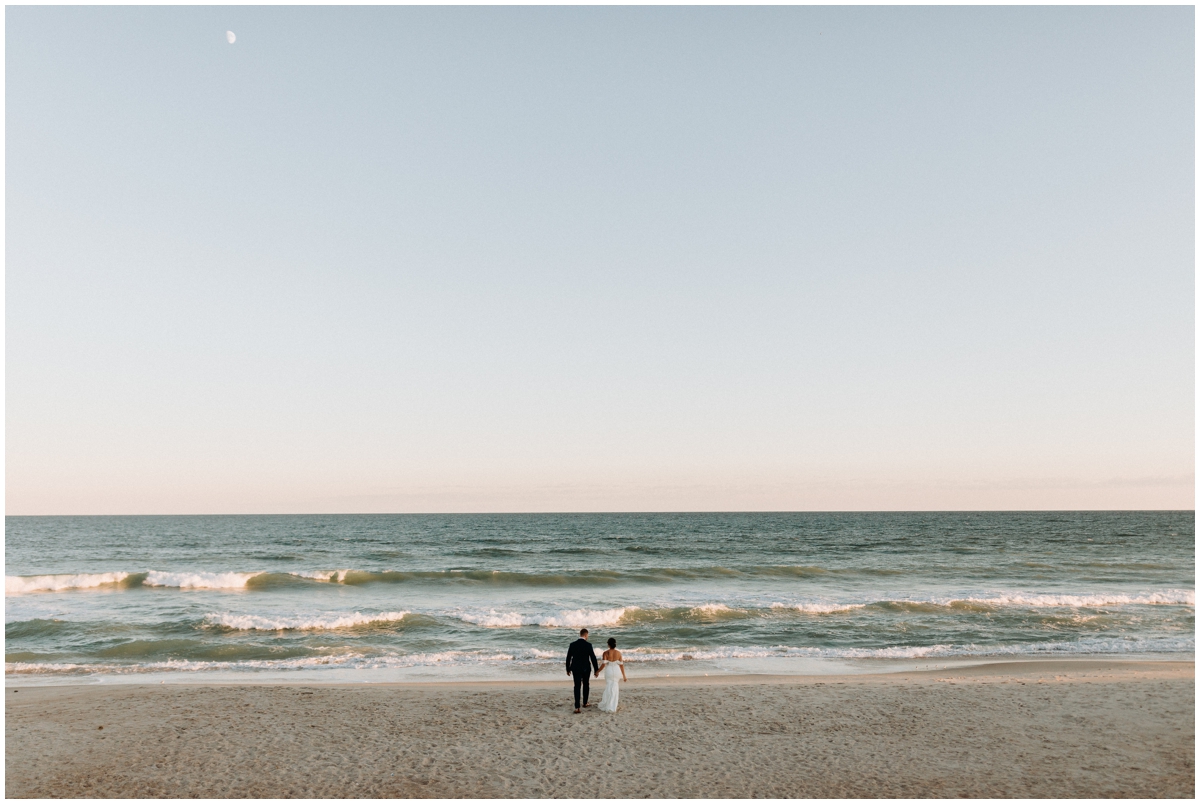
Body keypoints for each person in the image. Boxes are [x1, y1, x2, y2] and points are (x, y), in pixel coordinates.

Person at [565, 628, 599, 713]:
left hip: (575, 668)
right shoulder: (588, 645)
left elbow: (568, 657)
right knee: (586, 684)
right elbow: (593, 658)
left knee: (577, 686)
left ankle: (577, 707)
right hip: (586, 668)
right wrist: (596, 670)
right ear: (586, 635)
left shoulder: (573, 645)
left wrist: (568, 668)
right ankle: (585, 703)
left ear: (580, 634)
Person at [597, 637, 627, 713]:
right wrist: (624, 676)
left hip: (609, 670)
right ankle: (613, 705)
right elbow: (621, 665)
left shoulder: (605, 653)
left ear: (608, 644)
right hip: (617, 671)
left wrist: (597, 671)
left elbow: (603, 665)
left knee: (609, 686)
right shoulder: (619, 653)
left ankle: (608, 703)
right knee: (615, 687)